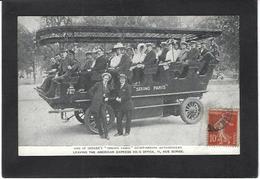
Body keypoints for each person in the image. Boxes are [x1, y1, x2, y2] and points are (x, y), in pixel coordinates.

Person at [88, 72, 113, 140]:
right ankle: (101, 133)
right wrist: (94, 98)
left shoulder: (109, 86)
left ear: (109, 79)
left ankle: (106, 135)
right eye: (105, 78)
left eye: (107, 78)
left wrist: (108, 97)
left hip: (103, 104)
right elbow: (90, 91)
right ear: (103, 78)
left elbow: (110, 94)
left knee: (104, 119)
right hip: (96, 104)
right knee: (97, 119)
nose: (106, 79)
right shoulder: (98, 84)